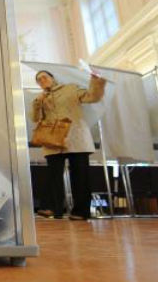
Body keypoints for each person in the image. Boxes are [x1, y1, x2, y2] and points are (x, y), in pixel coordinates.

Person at [32, 70, 106, 220]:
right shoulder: (40, 98)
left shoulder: (71, 88)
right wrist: (37, 104)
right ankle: (53, 208)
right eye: (39, 80)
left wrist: (95, 81)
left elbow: (93, 97)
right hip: (51, 140)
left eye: (44, 77)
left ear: (53, 77)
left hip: (75, 136)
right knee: (53, 175)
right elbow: (35, 119)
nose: (42, 80)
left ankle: (81, 211)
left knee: (80, 174)